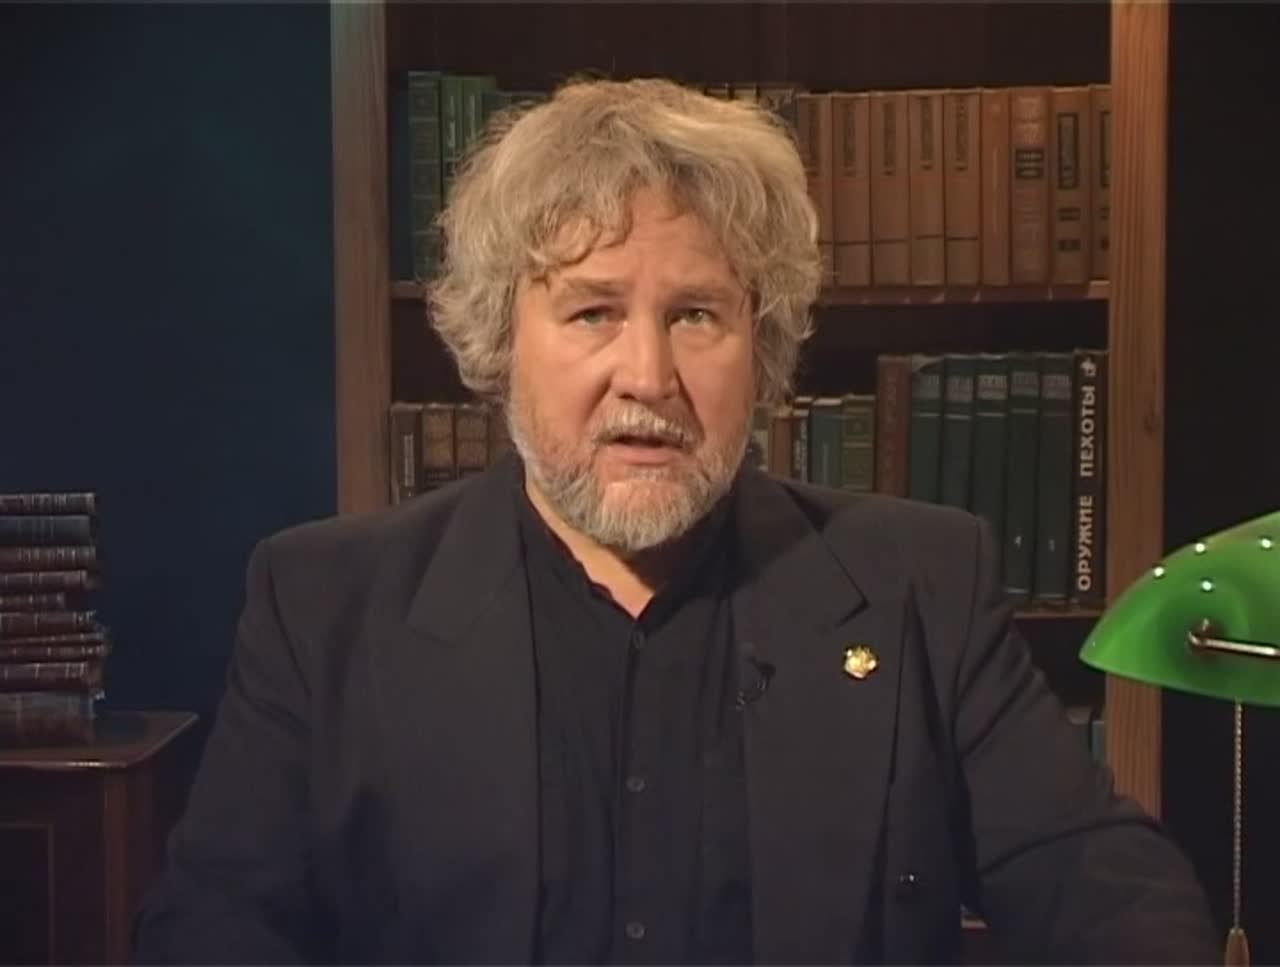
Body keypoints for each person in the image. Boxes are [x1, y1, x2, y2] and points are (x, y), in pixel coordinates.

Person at [133, 76, 1218, 965]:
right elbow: (213, 935)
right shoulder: (326, 608)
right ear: (501, 340)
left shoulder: (917, 587)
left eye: (695, 314)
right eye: (592, 311)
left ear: (763, 345)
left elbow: (1100, 880)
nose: (646, 376)